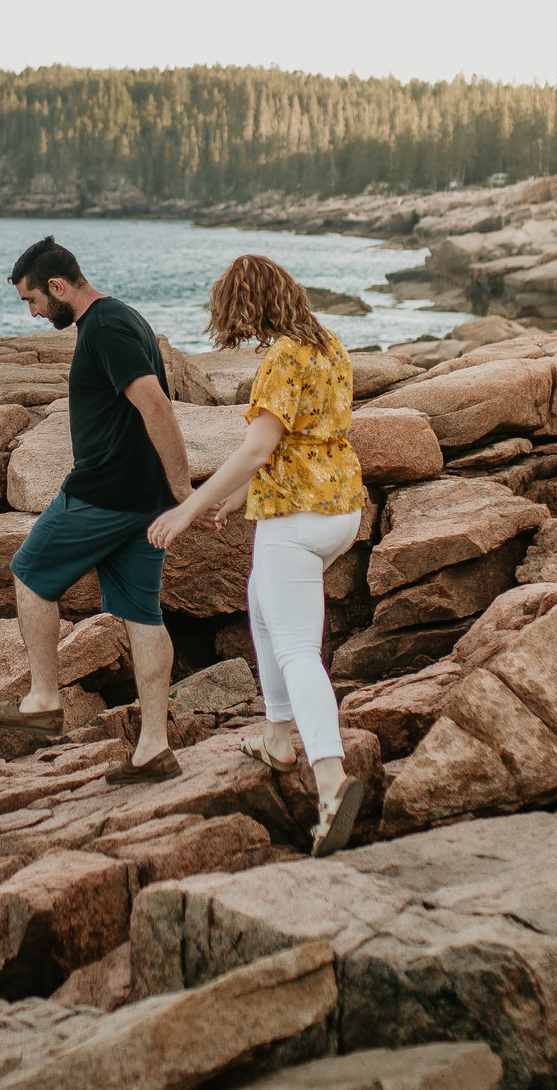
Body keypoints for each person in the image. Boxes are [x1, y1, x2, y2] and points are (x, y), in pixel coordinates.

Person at [147, 254, 367, 854]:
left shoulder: (283, 357)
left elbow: (256, 448)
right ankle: (276, 736)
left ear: (246, 305)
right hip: (340, 510)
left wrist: (188, 508)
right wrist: (236, 500)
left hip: (295, 522)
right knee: (261, 606)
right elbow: (300, 443)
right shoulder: (328, 344)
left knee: (297, 648)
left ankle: (330, 778)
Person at [0, 236, 191, 781]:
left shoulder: (105, 327)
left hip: (103, 492)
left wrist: (185, 489)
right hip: (140, 499)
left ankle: (44, 699)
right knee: (143, 615)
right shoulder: (123, 318)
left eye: (32, 301)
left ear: (57, 286)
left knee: (29, 574)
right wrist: (166, 493)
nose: (32, 313)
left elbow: (157, 406)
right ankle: (153, 749)